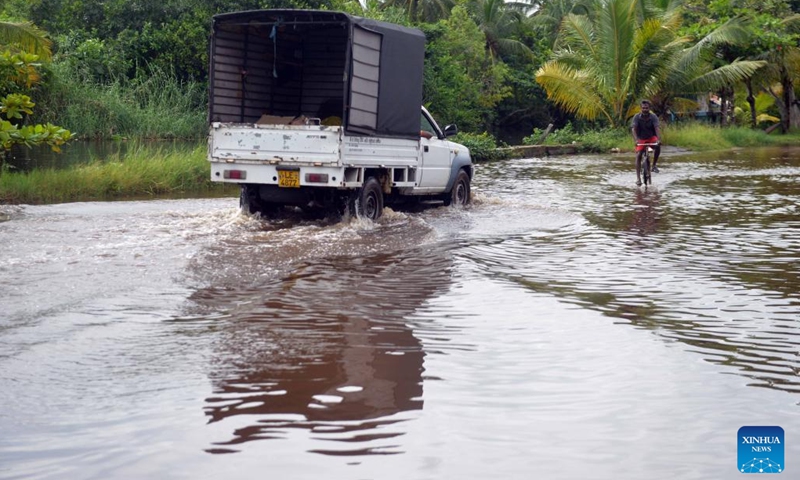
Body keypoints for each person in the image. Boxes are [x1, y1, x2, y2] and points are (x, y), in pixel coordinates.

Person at [631, 99, 662, 186]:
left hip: (651, 137)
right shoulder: (637, 117)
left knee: (658, 146)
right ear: (641, 108)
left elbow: (657, 128)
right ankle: (638, 179)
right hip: (641, 139)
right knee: (638, 155)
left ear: (649, 108)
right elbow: (633, 129)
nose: (645, 109)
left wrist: (658, 139)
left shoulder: (653, 117)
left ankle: (654, 165)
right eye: (643, 108)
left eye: (647, 108)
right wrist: (636, 140)